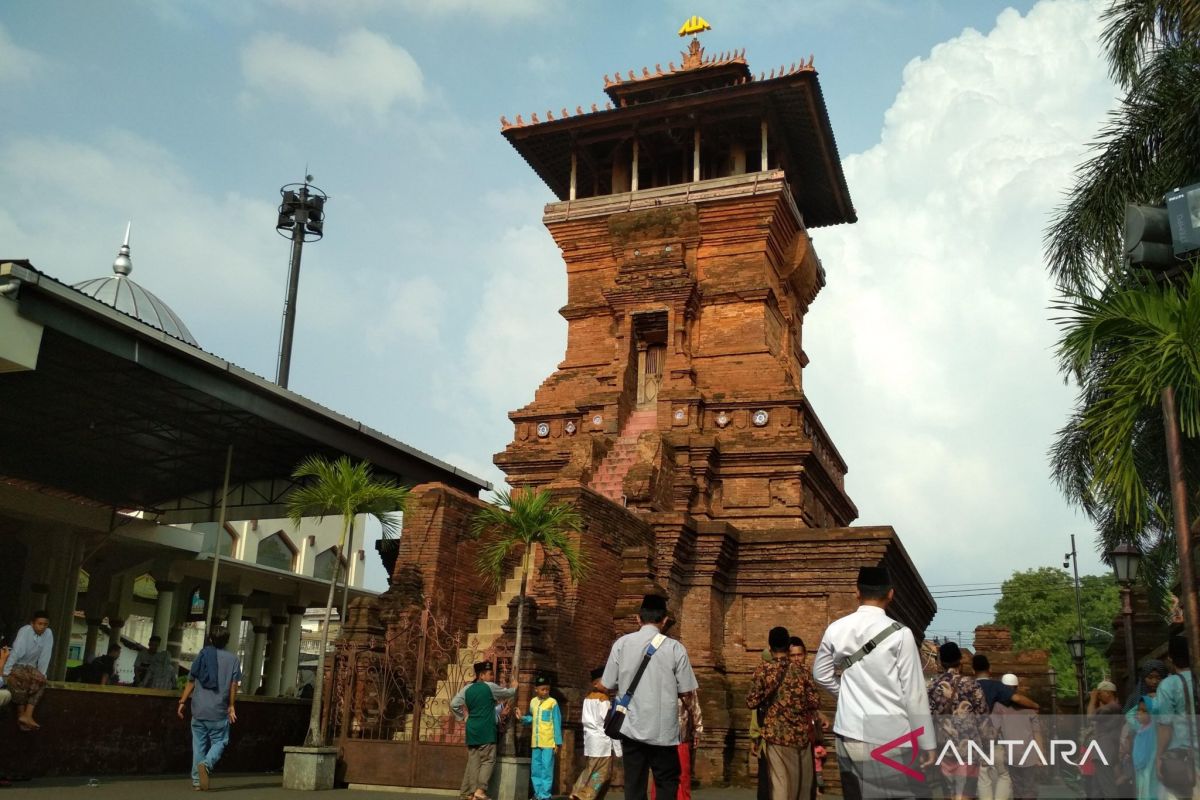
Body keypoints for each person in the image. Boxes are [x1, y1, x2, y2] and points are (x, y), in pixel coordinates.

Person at [813, 567, 936, 800]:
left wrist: (847, 695)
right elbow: (914, 694)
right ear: (891, 594)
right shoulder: (900, 634)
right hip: (891, 735)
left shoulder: (836, 629)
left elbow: (820, 674)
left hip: (849, 731)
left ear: (857, 592)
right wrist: (927, 741)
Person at [601, 594, 699, 800]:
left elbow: (607, 683)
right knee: (666, 782)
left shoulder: (621, 644)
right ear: (664, 620)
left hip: (631, 726)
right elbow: (687, 691)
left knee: (634, 784)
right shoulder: (675, 648)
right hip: (664, 730)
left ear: (638, 618)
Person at [747, 625, 821, 800]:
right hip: (801, 735)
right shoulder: (802, 670)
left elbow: (751, 702)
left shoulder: (763, 670)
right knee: (802, 787)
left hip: (776, 736)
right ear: (788, 646)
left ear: (770, 647)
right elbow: (814, 702)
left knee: (780, 785)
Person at [177, 627, 241, 791]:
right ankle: (206, 764)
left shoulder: (203, 655)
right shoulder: (233, 659)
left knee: (198, 746)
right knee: (220, 741)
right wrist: (231, 705)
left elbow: (191, 680)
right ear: (227, 641)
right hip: (218, 711)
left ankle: (197, 782)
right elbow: (234, 685)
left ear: (210, 640)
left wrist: (182, 702)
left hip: (198, 709)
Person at [927, 642, 989, 800]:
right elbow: (983, 718)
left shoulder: (932, 686)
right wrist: (987, 746)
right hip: (968, 748)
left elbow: (927, 718)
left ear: (941, 662)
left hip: (944, 747)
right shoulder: (972, 685)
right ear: (960, 660)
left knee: (949, 793)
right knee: (965, 793)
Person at [449, 661, 518, 800]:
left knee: (473, 762)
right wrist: (514, 687)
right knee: (488, 760)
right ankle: (480, 790)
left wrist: (464, 717)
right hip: (486, 730)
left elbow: (453, 704)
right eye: (490, 674)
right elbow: (508, 693)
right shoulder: (490, 687)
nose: (492, 677)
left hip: (472, 730)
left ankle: (471, 793)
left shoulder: (467, 689)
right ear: (481, 675)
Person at [1154, 636, 1198, 800]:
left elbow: (1165, 727)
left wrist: (1159, 756)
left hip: (1182, 757)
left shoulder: (1168, 685)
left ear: (1170, 658)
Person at [570, 667, 622, 800]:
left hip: (591, 740)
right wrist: (618, 748)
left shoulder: (588, 698)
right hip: (602, 741)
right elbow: (609, 723)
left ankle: (577, 791)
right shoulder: (603, 700)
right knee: (601, 773)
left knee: (590, 768)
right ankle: (584, 795)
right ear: (596, 684)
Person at [1120, 661, 1166, 799]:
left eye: (1158, 677)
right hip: (1139, 749)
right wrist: (1146, 702)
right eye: (1150, 677)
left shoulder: (1167, 697)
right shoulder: (1135, 698)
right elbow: (1129, 717)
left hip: (1160, 748)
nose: (1154, 681)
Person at [4, 609, 53, 731]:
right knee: (21, 680)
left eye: (45, 624)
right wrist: (6, 672)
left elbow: (45, 655)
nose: (42, 627)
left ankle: (28, 715)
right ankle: (21, 715)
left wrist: (42, 674)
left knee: (41, 680)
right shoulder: (25, 631)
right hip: (16, 664)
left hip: (30, 666)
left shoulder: (48, 634)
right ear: (32, 623)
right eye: (39, 624)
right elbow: (16, 652)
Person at [521, 675, 562, 800]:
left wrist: (557, 742)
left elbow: (557, 722)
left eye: (547, 689)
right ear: (536, 689)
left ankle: (545, 795)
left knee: (547, 769)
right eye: (543, 689)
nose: (545, 692)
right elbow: (532, 718)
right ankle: (538, 794)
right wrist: (522, 718)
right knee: (536, 769)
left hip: (548, 742)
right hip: (536, 742)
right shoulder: (533, 702)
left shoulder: (553, 702)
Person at [1084, 679, 1124, 798]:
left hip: (1104, 751)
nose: (1098, 696)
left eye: (1100, 693)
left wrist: (1092, 699)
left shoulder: (1112, 707)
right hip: (1102, 751)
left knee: (1108, 787)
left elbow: (1090, 716)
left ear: (1108, 693)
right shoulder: (1111, 708)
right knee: (1097, 788)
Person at [747, 648, 772, 800]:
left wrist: (754, 737)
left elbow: (755, 710)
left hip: (764, 738)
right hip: (783, 738)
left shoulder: (760, 676)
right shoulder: (787, 673)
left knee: (764, 780)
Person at [973, 655, 1039, 712]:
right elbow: (1017, 699)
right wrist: (1036, 705)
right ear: (990, 669)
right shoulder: (997, 686)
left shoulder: (968, 686)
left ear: (973, 671)